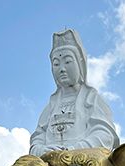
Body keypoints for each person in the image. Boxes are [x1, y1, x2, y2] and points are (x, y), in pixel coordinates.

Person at [29, 29, 119, 157]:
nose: (62, 69)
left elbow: (105, 135)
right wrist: (42, 150)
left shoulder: (91, 99)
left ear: (80, 64)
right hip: (48, 161)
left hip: (81, 160)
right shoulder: (51, 107)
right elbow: (37, 138)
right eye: (56, 64)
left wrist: (74, 150)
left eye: (67, 62)